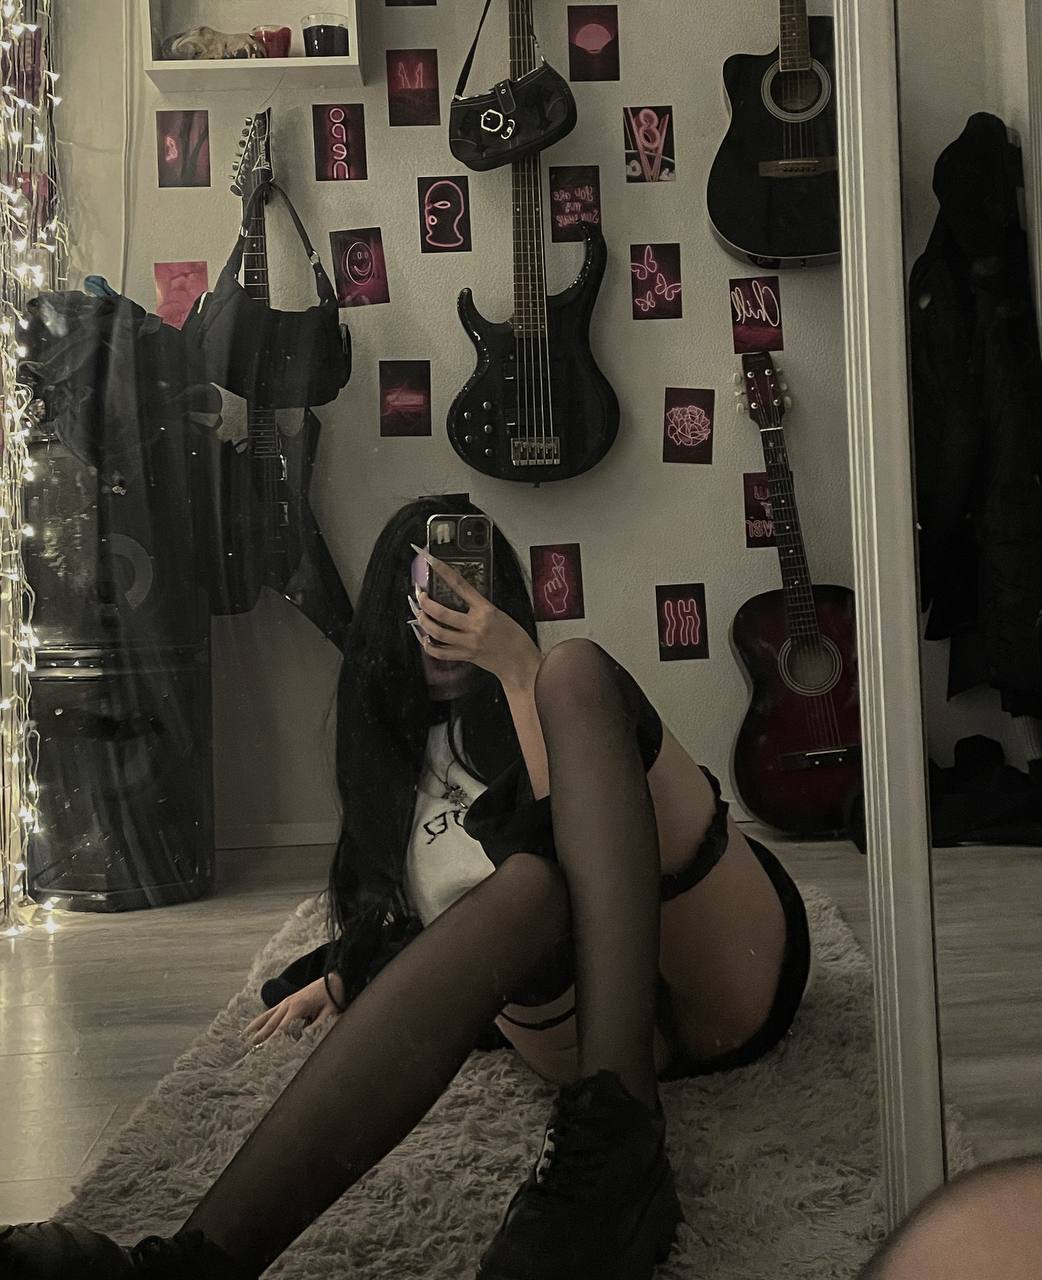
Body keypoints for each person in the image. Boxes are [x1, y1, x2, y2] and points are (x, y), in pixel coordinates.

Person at [0, 494, 813, 1279]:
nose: (445, 611)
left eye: (467, 587)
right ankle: (191, 1265)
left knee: (573, 674)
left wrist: (517, 671)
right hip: (569, 1015)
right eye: (426, 591)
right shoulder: (387, 764)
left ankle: (618, 1136)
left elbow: (575, 850)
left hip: (715, 967)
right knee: (527, 890)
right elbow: (433, 927)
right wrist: (343, 972)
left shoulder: (536, 696)